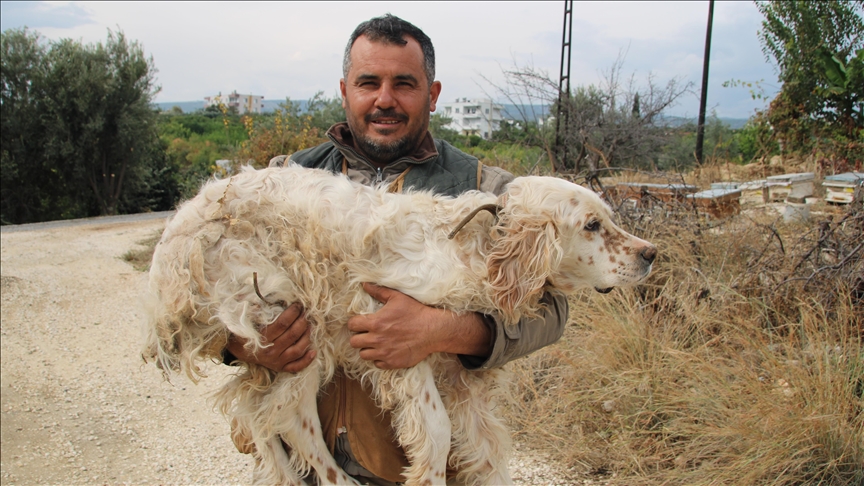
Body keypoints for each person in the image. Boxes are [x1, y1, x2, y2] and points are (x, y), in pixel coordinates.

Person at [222, 14, 569, 485]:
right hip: (301, 465)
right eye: (369, 83)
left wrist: (446, 331)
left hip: (425, 472)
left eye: (404, 83)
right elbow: (210, 282)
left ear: (433, 93)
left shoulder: (485, 192)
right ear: (345, 91)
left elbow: (551, 310)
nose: (385, 99)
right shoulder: (284, 181)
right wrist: (242, 342)